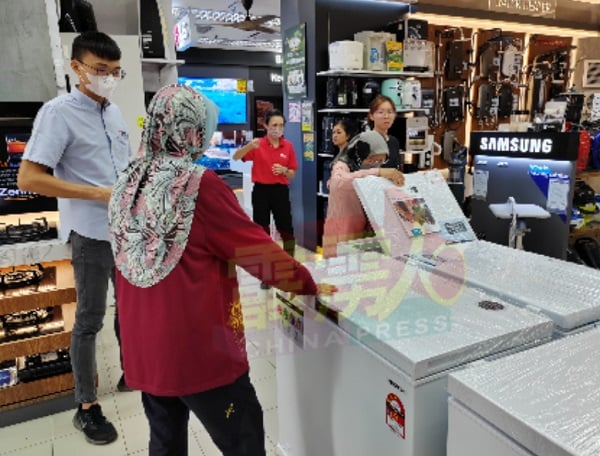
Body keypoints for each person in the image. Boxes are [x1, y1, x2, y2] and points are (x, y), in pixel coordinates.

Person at [108, 84, 338, 456]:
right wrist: (307, 283)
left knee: (165, 443)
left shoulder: (125, 181)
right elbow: (257, 251)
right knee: (243, 438)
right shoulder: (198, 184)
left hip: (142, 346)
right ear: (191, 129)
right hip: (197, 348)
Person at [17, 31, 130, 445]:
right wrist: (97, 193)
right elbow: (29, 177)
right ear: (76, 67)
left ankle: (132, 373)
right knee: (89, 320)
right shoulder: (58, 113)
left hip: (125, 231)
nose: (108, 78)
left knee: (131, 310)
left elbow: (119, 167)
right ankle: (86, 406)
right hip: (90, 234)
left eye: (115, 71)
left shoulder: (114, 113)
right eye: (100, 70)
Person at [233, 109, 297, 288]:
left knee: (286, 230)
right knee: (262, 232)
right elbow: (236, 157)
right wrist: (248, 147)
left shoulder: (288, 146)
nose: (278, 129)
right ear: (266, 126)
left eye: (281, 126)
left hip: (280, 191)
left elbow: (292, 172)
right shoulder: (257, 145)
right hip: (261, 191)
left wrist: (284, 171)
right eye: (274, 125)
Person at [322, 125, 405, 258]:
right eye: (372, 160)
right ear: (361, 154)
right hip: (341, 232)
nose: (376, 164)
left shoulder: (365, 169)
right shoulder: (342, 165)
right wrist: (377, 172)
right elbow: (339, 183)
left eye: (381, 161)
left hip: (362, 232)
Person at [369, 94, 403, 172]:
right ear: (371, 116)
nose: (386, 116)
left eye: (390, 112)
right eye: (381, 112)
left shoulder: (394, 141)